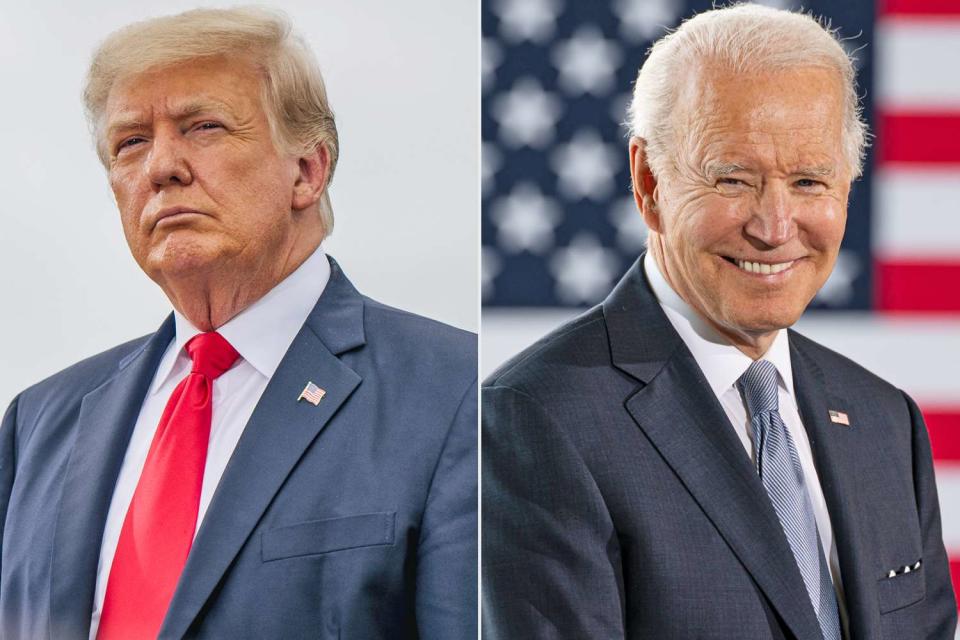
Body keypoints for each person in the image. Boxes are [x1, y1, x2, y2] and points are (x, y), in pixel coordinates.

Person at [482, 4, 956, 639]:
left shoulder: (884, 420)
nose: (774, 227)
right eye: (733, 180)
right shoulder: (536, 417)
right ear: (649, 183)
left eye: (810, 182)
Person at [0, 8, 476, 640]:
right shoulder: (39, 422)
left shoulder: (458, 395)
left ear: (308, 170)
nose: (161, 167)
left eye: (204, 126)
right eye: (131, 142)